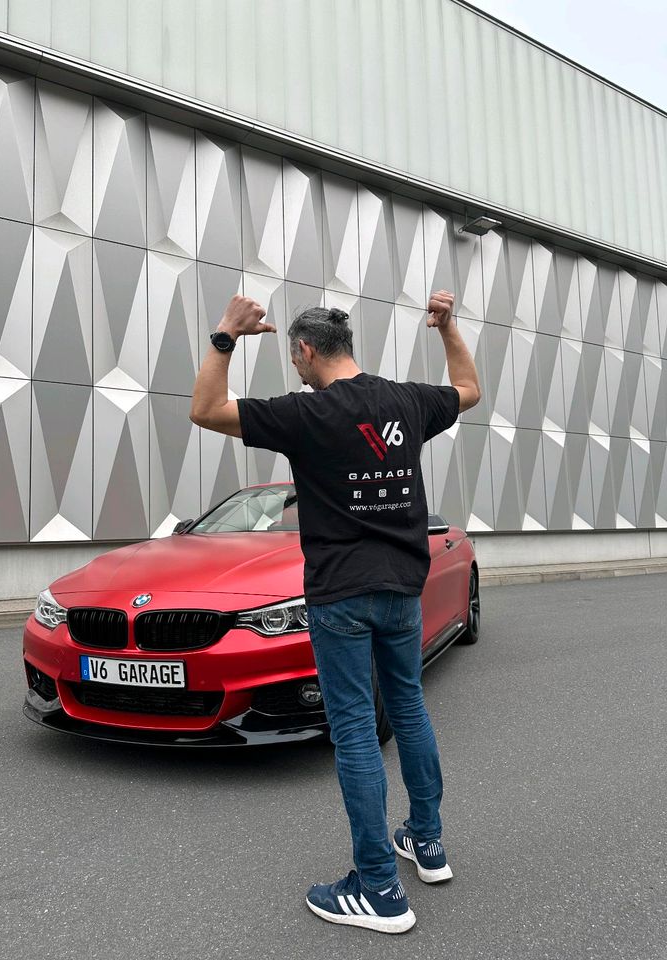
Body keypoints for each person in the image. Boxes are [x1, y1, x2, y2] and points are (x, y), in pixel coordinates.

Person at [190, 290, 481, 934]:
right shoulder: (406, 401)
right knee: (407, 709)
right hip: (403, 589)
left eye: (294, 356)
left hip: (340, 595)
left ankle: (378, 887)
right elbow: (469, 387)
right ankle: (426, 844)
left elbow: (205, 408)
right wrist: (447, 327)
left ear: (304, 350)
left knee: (354, 731)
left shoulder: (305, 414)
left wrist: (224, 335)